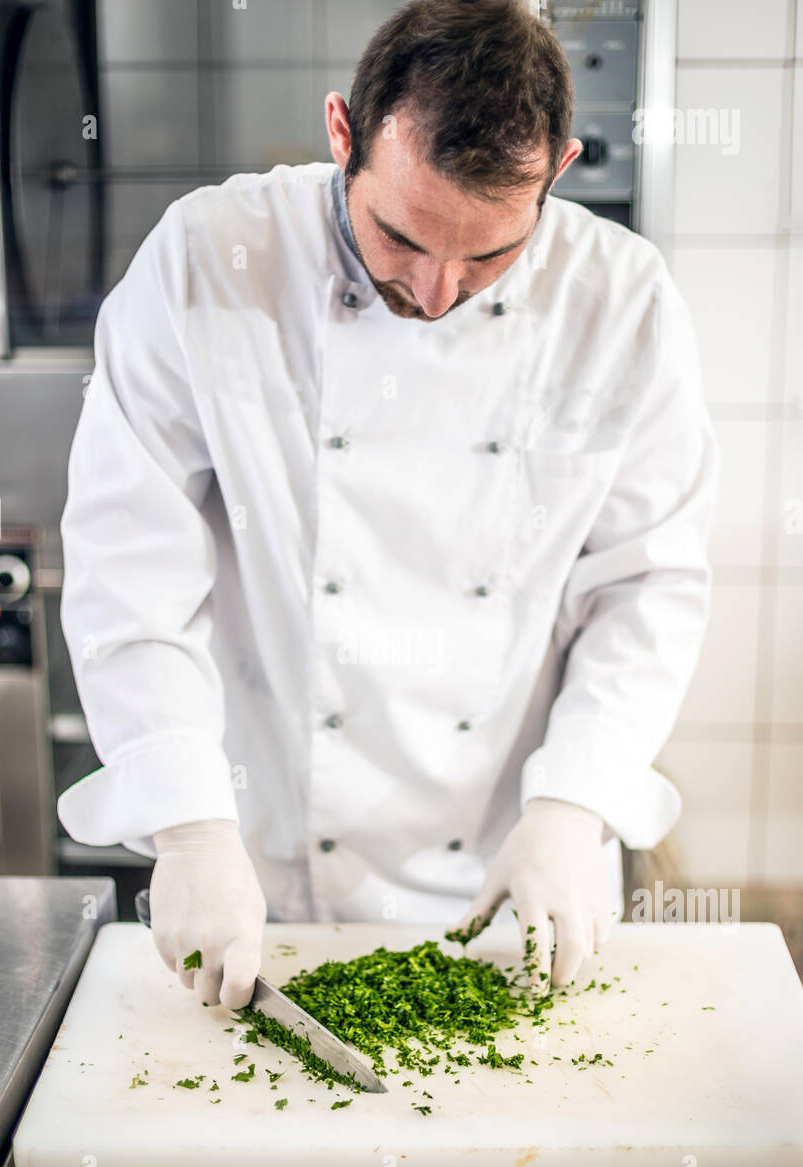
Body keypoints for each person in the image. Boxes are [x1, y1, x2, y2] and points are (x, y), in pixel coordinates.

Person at [58, 0, 718, 1009]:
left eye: (492, 255)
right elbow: (129, 563)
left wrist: (575, 800)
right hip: (268, 859)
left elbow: (648, 584)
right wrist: (188, 820)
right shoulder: (207, 260)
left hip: (515, 857)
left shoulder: (621, 302)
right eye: (401, 237)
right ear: (341, 135)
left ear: (561, 168)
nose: (440, 289)